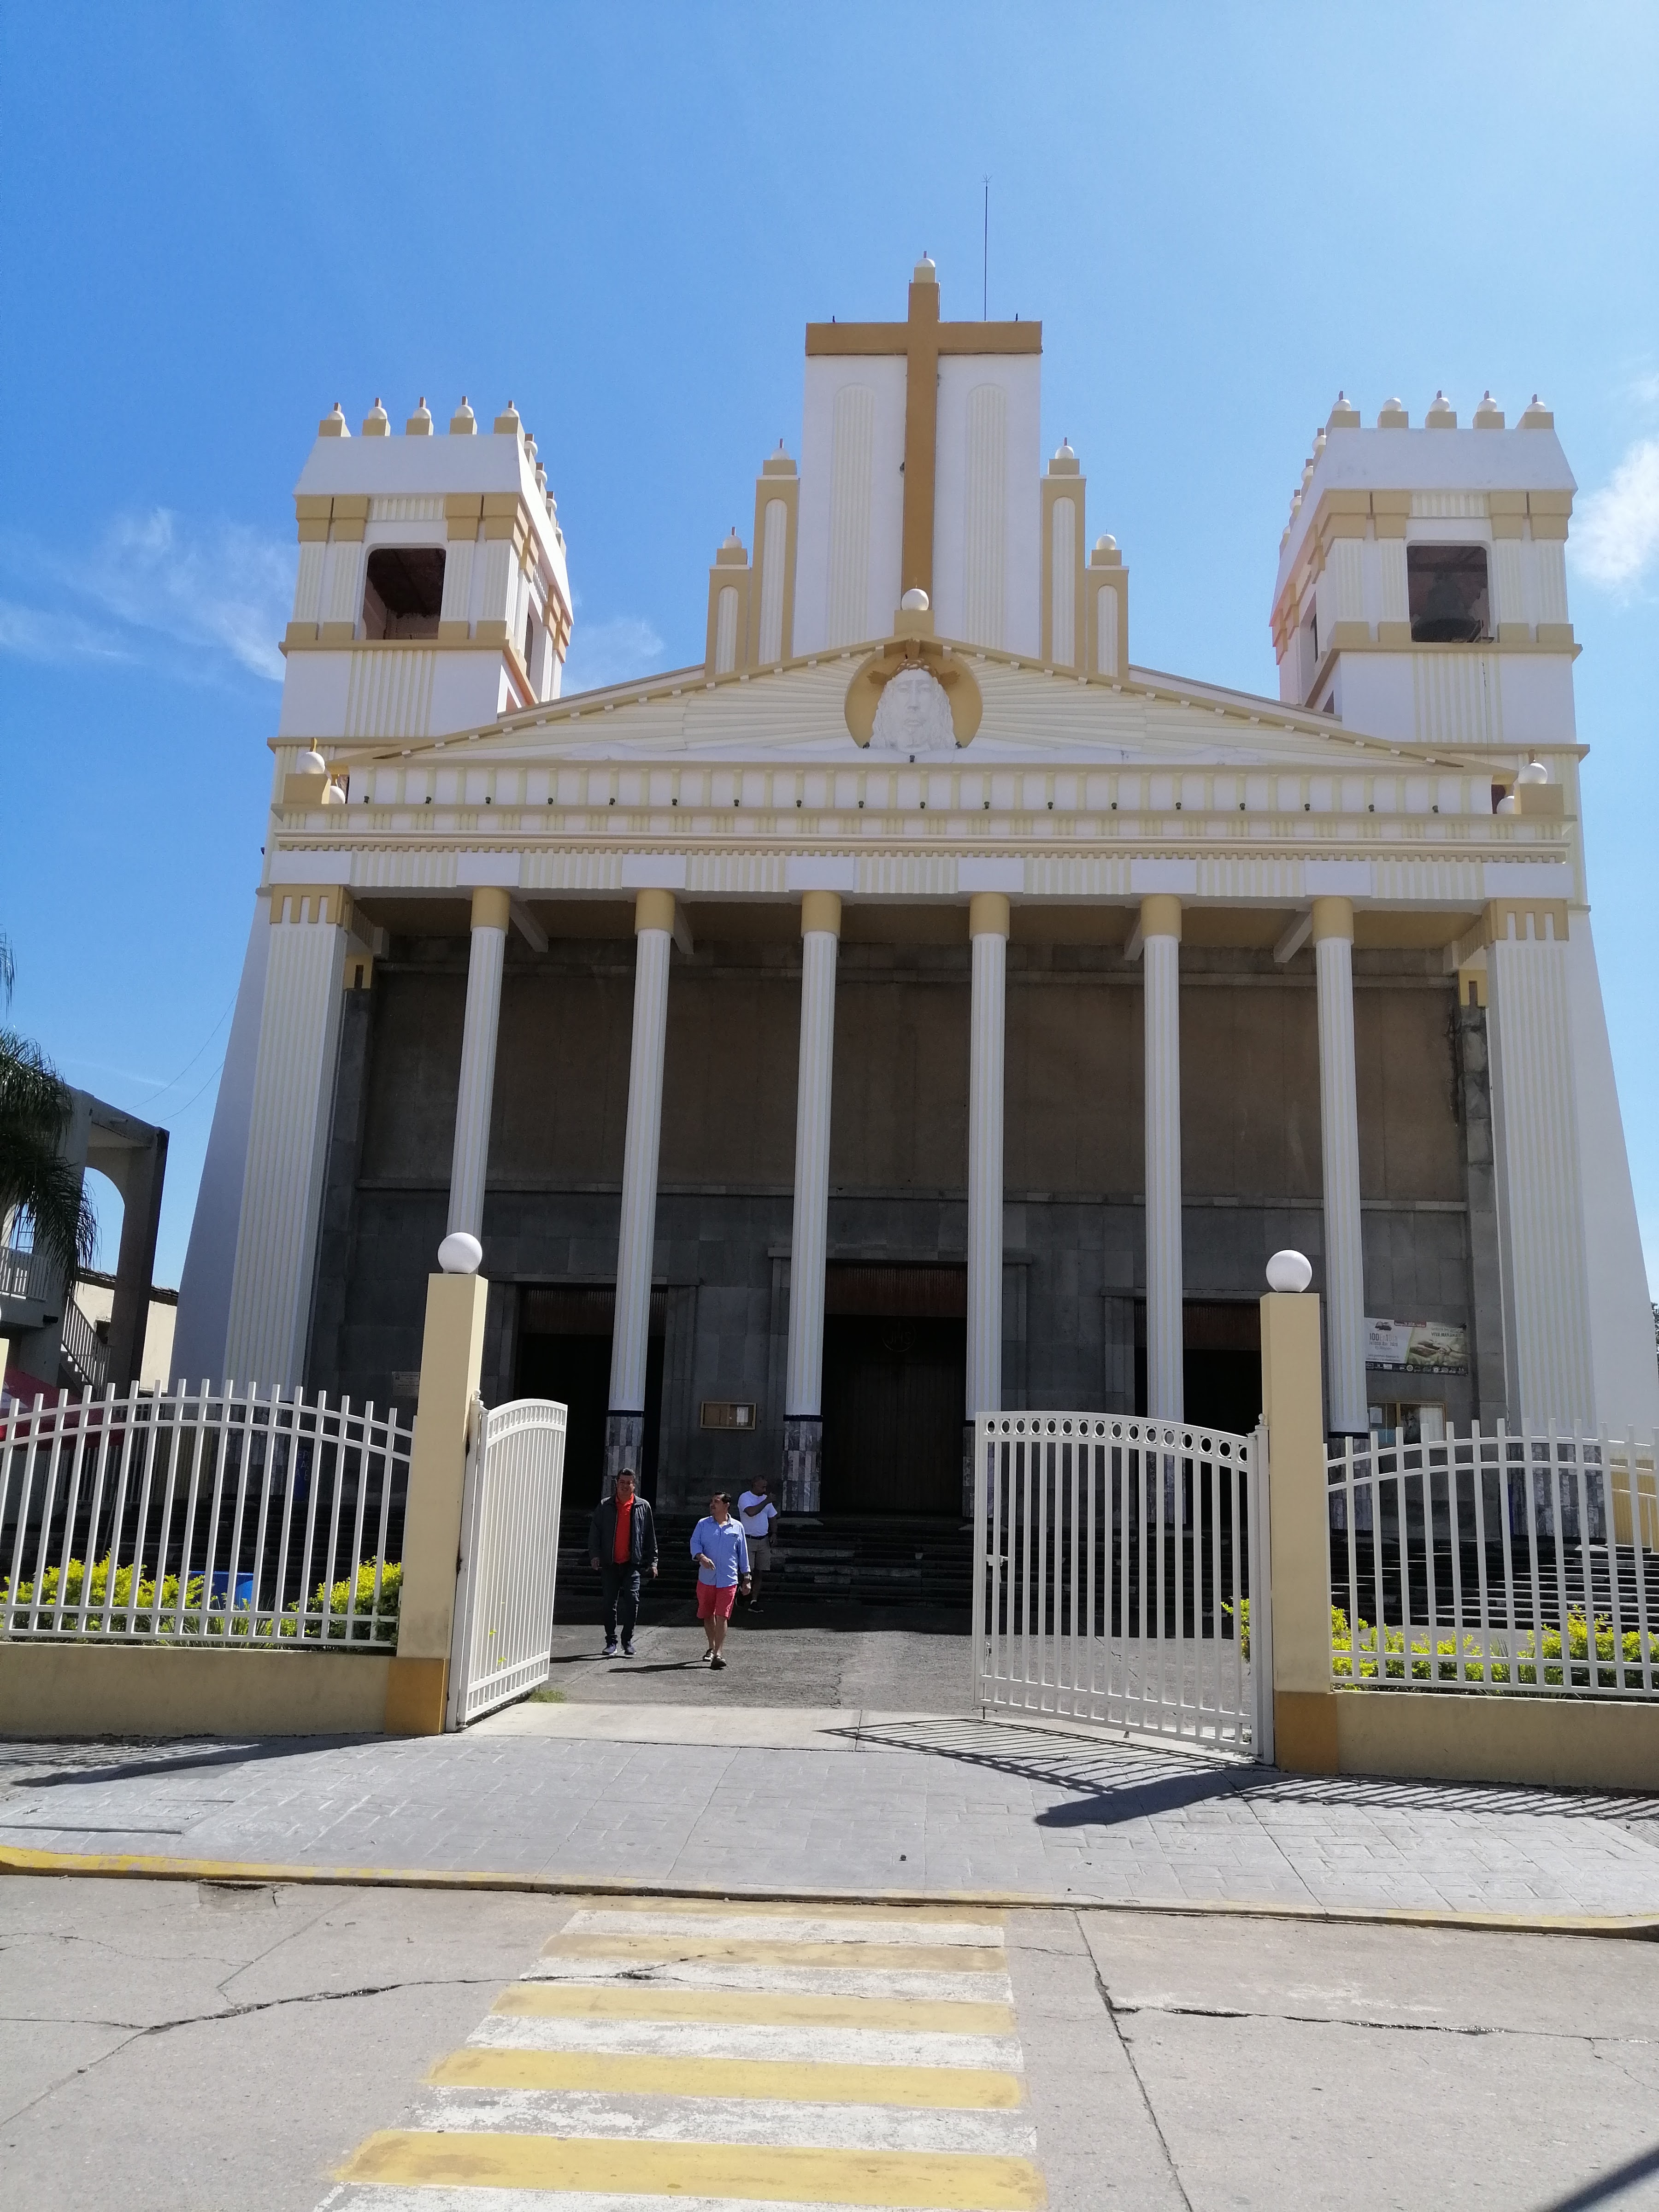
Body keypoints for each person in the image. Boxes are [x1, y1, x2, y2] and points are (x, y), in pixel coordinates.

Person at [586, 1467, 657, 1658]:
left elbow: (650, 1536)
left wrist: (654, 1561)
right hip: (610, 1564)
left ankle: (627, 1641)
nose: (625, 1486)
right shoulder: (605, 1506)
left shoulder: (643, 1507)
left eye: (629, 1483)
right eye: (622, 1482)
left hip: (632, 1564)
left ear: (635, 1485)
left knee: (633, 1602)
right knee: (609, 1604)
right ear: (616, 1483)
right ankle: (611, 1641)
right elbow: (595, 1533)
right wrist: (594, 1555)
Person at [689, 1491, 750, 1669]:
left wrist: (747, 1578)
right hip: (707, 1579)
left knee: (723, 1616)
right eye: (711, 1502)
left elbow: (743, 1554)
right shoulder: (703, 1524)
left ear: (726, 1506)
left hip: (728, 1579)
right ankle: (711, 1647)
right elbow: (695, 1544)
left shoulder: (737, 1527)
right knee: (708, 1614)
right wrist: (701, 1557)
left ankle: (719, 1653)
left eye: (716, 1502)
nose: (712, 1505)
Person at [735, 1477, 779, 1611]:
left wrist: (774, 1533)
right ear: (754, 1485)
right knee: (748, 1571)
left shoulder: (767, 1500)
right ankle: (743, 1592)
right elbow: (751, 1512)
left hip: (763, 1540)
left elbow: (772, 1518)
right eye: (762, 1487)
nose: (765, 1490)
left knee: (761, 1571)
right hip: (748, 1539)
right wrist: (767, 1501)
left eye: (766, 1487)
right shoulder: (745, 1497)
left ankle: (754, 1600)